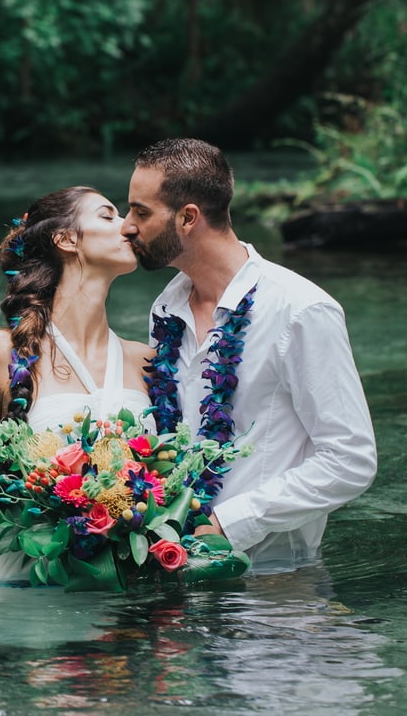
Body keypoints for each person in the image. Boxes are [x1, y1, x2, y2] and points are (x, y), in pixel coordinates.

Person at [121, 138, 377, 573]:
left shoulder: (300, 310)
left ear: (188, 218)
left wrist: (230, 522)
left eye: (140, 212)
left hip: (272, 576)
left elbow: (351, 460)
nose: (127, 226)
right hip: (177, 568)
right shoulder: (166, 307)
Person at [0, 185, 153, 582]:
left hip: (123, 582)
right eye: (108, 215)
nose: (129, 226)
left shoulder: (144, 359)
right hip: (23, 581)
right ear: (66, 239)